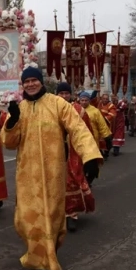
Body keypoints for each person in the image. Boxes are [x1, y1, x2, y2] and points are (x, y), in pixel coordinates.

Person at [0, 67, 102, 270]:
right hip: (26, 175)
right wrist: (11, 122)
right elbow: (8, 143)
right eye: (26, 81)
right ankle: (39, 258)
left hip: (53, 175)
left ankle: (45, 262)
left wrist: (90, 156)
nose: (30, 84)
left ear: (41, 82)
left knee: (53, 219)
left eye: (34, 80)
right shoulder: (19, 108)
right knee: (27, 220)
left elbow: (77, 129)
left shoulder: (57, 104)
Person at [56, 82, 96, 233]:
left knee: (72, 182)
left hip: (74, 152)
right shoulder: (50, 109)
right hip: (54, 153)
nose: (64, 96)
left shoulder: (79, 110)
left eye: (67, 93)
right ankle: (60, 214)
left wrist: (89, 154)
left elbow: (87, 132)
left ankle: (72, 215)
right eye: (61, 93)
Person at [79, 92, 112, 187]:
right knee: (81, 164)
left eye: (86, 100)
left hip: (92, 142)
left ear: (89, 100)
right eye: (82, 100)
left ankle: (89, 180)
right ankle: (83, 182)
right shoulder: (75, 110)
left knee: (93, 166)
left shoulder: (95, 111)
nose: (84, 102)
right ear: (79, 100)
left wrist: (107, 137)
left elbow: (102, 125)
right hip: (79, 141)